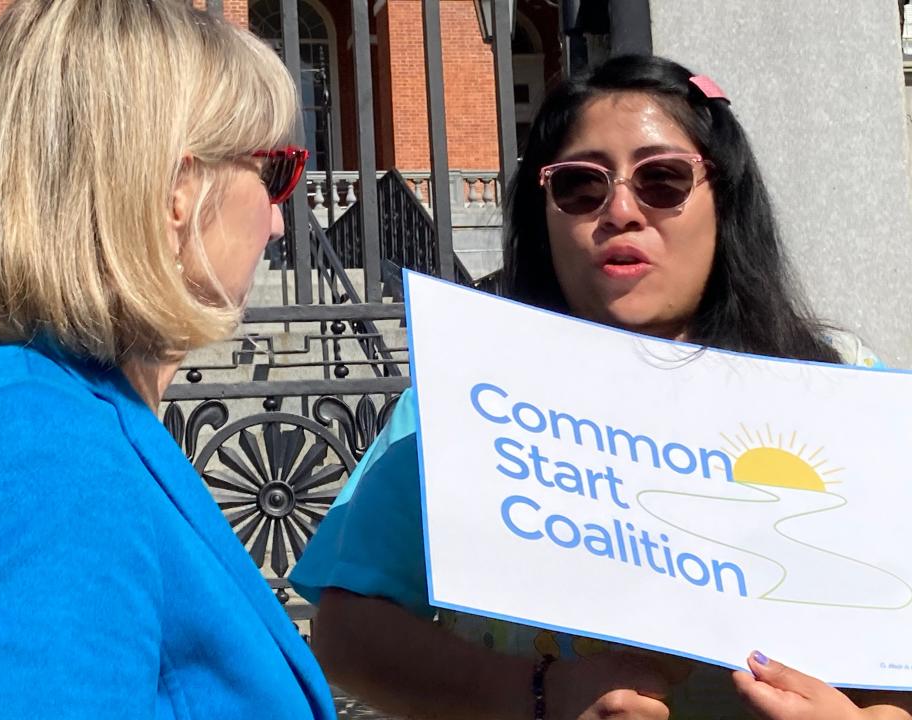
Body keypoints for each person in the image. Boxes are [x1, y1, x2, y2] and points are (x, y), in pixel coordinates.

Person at [289, 54, 907, 720]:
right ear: (543, 213)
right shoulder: (470, 395)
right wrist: (533, 696)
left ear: (724, 200)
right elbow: (349, 632)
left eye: (662, 179)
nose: (620, 210)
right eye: (581, 186)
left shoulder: (842, 384)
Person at [0, 1, 334, 718]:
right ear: (175, 193)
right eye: (276, 171)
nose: (283, 218)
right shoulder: (36, 444)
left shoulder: (71, 409)